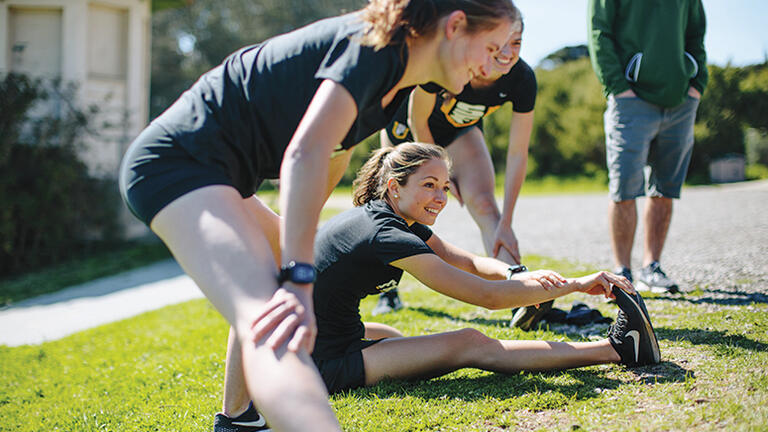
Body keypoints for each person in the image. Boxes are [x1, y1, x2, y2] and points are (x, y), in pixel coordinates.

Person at [118, 1, 521, 431]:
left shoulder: (399, 83)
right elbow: (305, 152)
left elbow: (333, 156)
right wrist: (298, 275)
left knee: (272, 298)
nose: (496, 64)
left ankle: (238, 420)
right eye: (492, 47)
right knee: (272, 315)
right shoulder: (373, 47)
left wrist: (302, 246)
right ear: (456, 26)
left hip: (224, 177)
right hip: (179, 164)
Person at [219, 143, 660, 425]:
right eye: (429, 185)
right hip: (323, 362)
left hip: (321, 340)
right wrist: (574, 285)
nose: (440, 198)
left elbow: (464, 260)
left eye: (445, 187)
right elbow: (484, 298)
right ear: (394, 187)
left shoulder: (388, 218)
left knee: (393, 336)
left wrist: (515, 273)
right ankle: (620, 350)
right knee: (467, 342)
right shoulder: (386, 233)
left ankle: (619, 348)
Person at [374, 14, 538, 315]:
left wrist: (507, 221)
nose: (507, 52)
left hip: (458, 131)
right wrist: (442, 177)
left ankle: (521, 295)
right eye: (499, 43)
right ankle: (388, 291)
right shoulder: (453, 61)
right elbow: (417, 119)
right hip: (410, 128)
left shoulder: (522, 78)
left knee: (487, 207)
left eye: (516, 43)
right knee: (390, 209)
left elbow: (518, 153)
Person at [587, 0, 708, 293]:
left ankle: (651, 268)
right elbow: (599, 33)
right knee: (624, 187)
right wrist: (618, 87)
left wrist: (697, 84)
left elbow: (696, 34)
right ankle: (621, 275)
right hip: (631, 98)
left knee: (665, 188)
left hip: (681, 100)